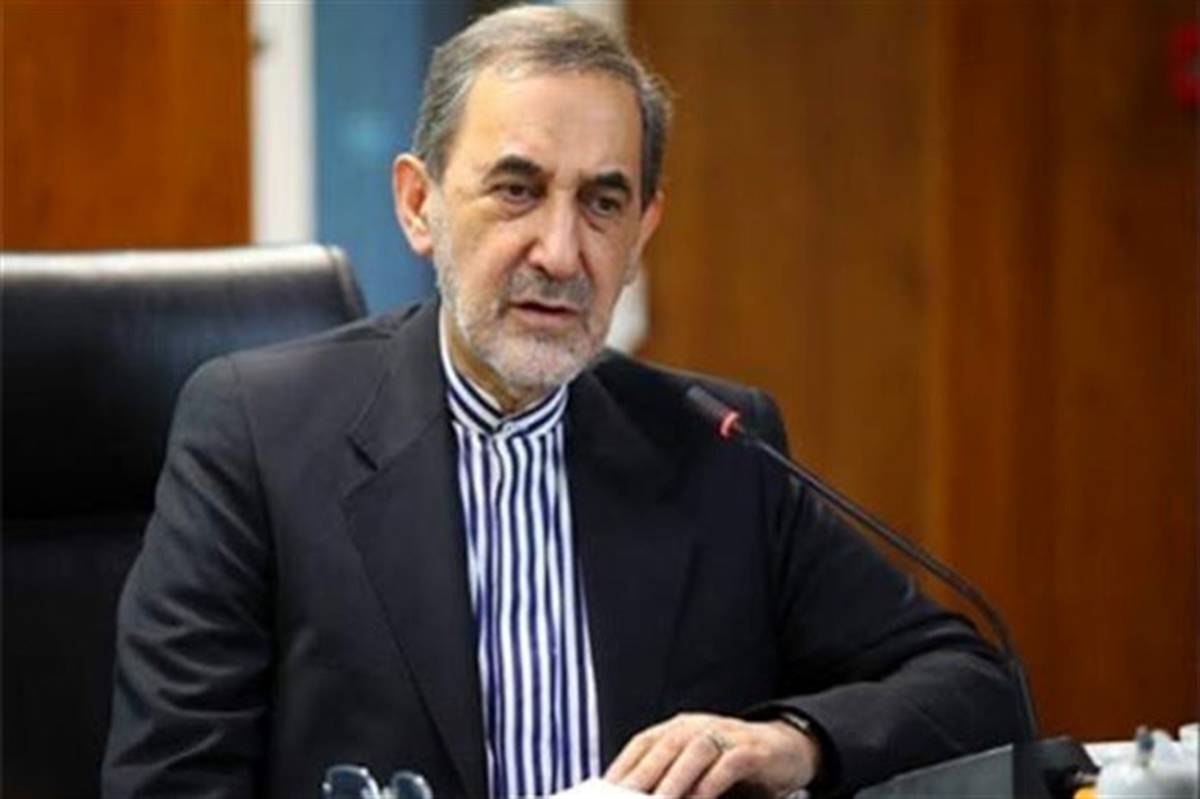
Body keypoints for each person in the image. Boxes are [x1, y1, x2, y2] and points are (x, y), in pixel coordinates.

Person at [102, 6, 1025, 799]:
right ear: (419, 205)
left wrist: (794, 741)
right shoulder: (257, 435)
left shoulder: (718, 447)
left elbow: (977, 686)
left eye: (602, 204)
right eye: (517, 190)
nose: (559, 251)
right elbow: (169, 780)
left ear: (643, 231)